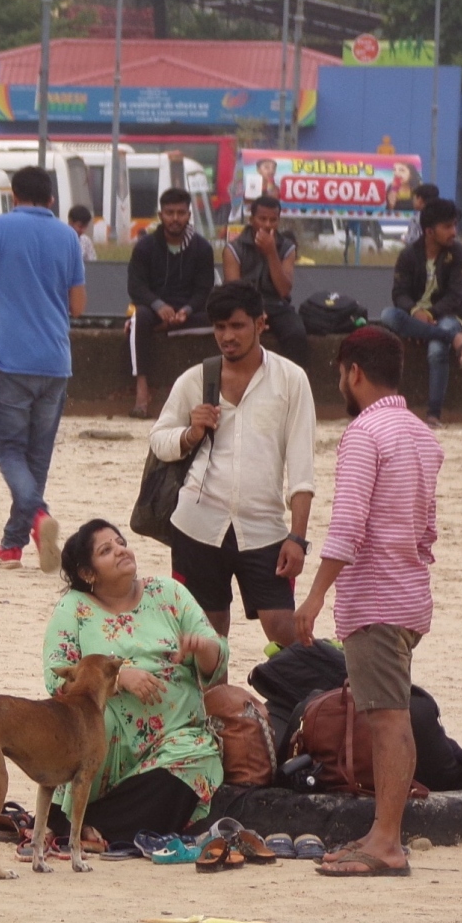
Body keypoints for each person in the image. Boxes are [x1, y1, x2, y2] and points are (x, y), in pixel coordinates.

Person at [294, 326, 444, 877]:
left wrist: (314, 596)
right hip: (410, 596)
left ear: (353, 371)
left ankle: (385, 840)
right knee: (390, 714)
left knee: (387, 719)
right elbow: (427, 532)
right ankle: (384, 834)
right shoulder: (424, 436)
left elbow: (348, 526)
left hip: (376, 598)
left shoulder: (364, 434)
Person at [148, 281, 315, 651]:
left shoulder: (291, 380)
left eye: (237, 326)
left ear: (261, 323)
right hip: (197, 524)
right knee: (206, 639)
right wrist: (191, 433)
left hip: (265, 528)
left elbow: (302, 467)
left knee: (285, 631)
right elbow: (159, 439)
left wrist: (298, 538)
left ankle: (298, 708)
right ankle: (207, 710)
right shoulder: (196, 379)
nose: (227, 336)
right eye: (220, 327)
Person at [41, 520, 228, 844]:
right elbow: (56, 675)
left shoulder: (168, 592)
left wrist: (203, 648)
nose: (121, 550)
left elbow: (216, 660)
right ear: (88, 573)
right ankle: (78, 822)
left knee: (198, 757)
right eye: (106, 550)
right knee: (86, 735)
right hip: (110, 730)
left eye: (120, 542)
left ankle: (95, 826)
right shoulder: (74, 607)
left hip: (176, 730)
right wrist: (118, 678)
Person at [0, 165, 86, 572]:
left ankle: (37, 517)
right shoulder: (69, 236)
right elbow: (79, 306)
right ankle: (12, 546)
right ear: (52, 199)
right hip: (56, 361)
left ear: (13, 196)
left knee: (8, 452)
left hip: (12, 359)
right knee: (36, 459)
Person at [380, 197, 462, 428]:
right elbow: (399, 294)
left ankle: (433, 415)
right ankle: (456, 339)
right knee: (387, 316)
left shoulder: (458, 253)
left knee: (435, 349)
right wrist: (414, 311)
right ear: (430, 231)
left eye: (455, 225)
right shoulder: (409, 255)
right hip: (413, 316)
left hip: (446, 316)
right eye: (448, 227)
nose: (454, 231)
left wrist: (429, 315)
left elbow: (455, 296)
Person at [125, 187, 216, 417]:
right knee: (140, 317)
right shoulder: (145, 247)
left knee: (221, 320)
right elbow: (136, 287)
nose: (175, 218)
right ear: (160, 215)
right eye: (170, 213)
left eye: (181, 213)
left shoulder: (202, 248)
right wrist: (159, 306)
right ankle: (142, 390)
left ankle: (164, 328)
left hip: (191, 314)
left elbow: (204, 290)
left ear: (188, 215)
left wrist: (185, 310)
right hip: (155, 310)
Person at [221, 194, 308, 367]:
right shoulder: (233, 249)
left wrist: (271, 252)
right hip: (244, 305)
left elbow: (284, 289)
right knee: (240, 332)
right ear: (252, 219)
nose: (268, 225)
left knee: (296, 333)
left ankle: (295, 383)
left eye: (273, 220)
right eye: (262, 219)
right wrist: (254, 311)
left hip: (276, 305)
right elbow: (233, 291)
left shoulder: (287, 248)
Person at [402, 183, 441, 247]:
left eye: (414, 199)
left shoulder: (416, 218)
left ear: (419, 200)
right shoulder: (442, 215)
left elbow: (412, 240)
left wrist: (404, 239)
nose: (413, 201)